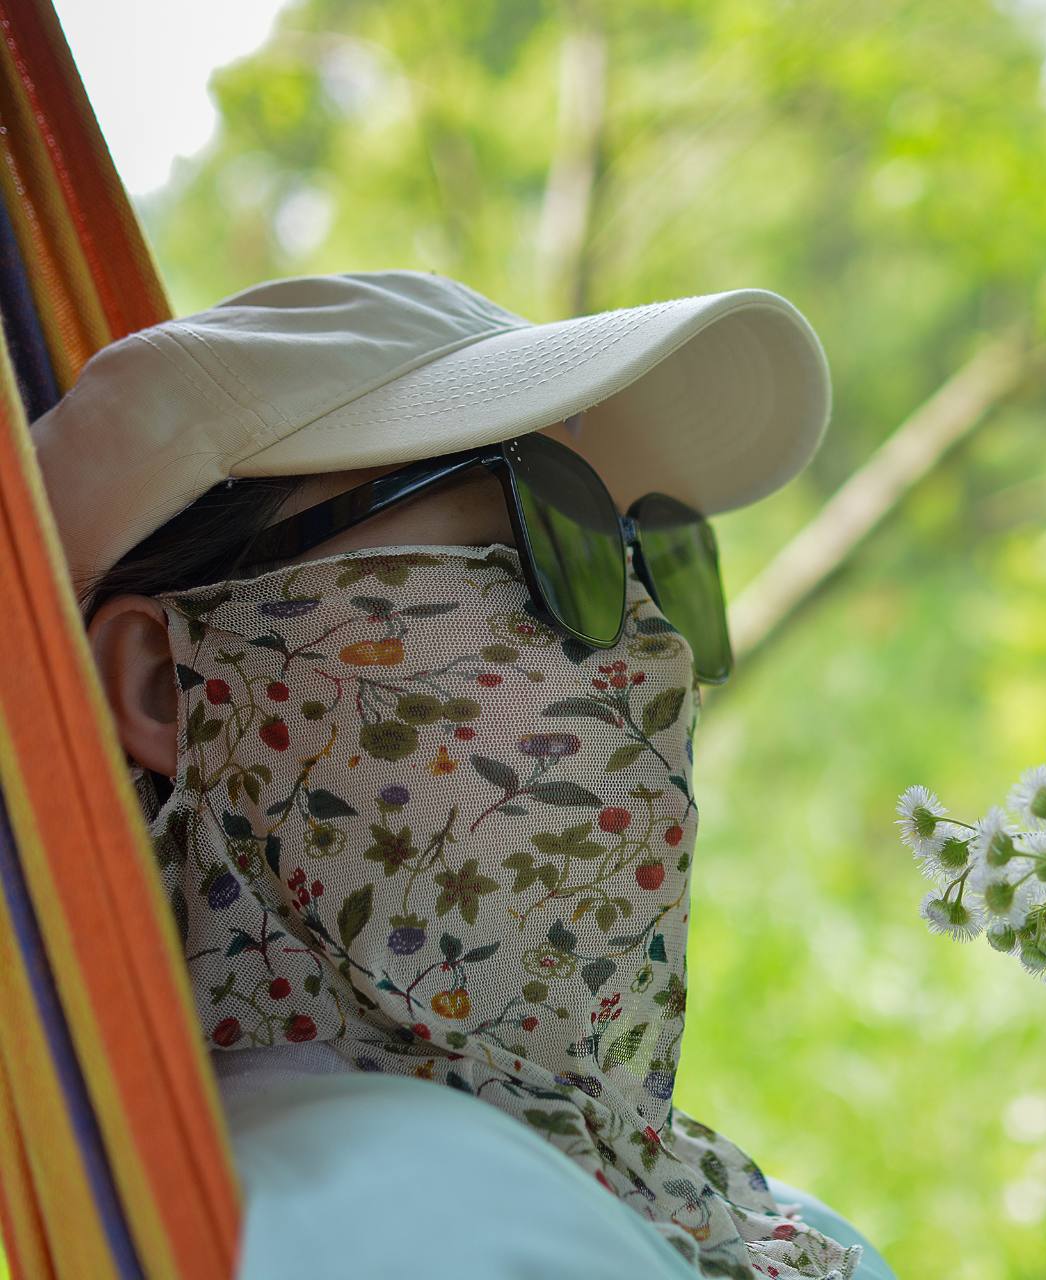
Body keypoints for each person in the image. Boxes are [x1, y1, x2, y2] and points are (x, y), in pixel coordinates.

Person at [32, 270, 892, 1279]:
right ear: (168, 686)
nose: (655, 644)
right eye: (522, 534)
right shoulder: (364, 1219)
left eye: (644, 553)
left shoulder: (715, 1199)